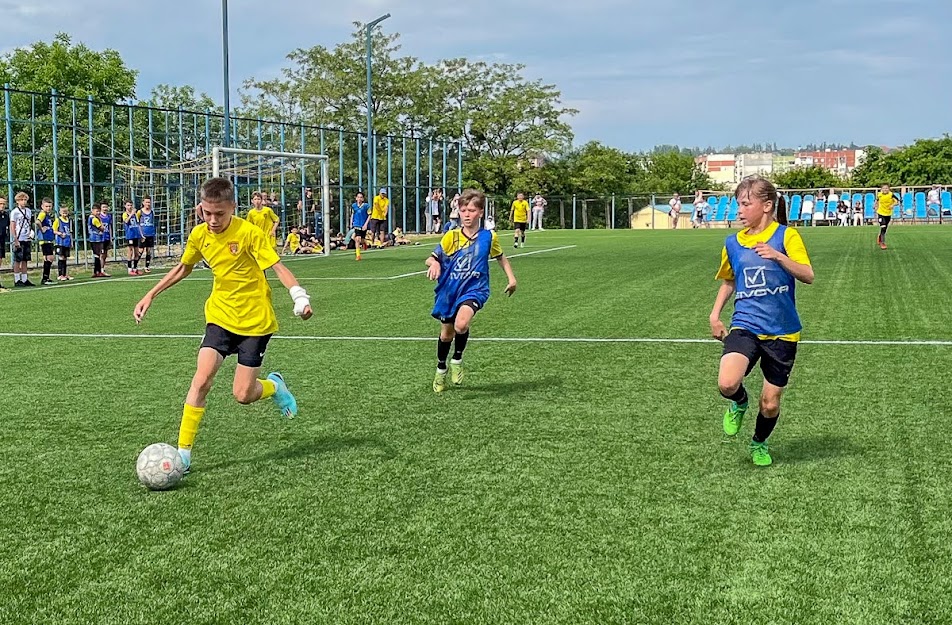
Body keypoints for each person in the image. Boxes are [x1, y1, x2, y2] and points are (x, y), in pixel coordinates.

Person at [133, 177, 313, 473]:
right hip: (220, 316)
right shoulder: (199, 234)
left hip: (255, 322)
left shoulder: (250, 233)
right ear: (200, 208)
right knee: (201, 379)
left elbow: (278, 266)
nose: (213, 220)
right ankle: (183, 455)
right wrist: (150, 294)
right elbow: (184, 267)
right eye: (207, 213)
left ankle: (274, 386)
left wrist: (299, 297)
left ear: (233, 207)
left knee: (243, 395)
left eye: (220, 213)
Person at [709, 176, 814, 467]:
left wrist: (778, 257)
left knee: (769, 403)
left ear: (766, 206)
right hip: (746, 323)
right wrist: (715, 314)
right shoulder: (732, 243)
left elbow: (808, 275)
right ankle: (739, 402)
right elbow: (729, 281)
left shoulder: (787, 236)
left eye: (746, 204)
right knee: (727, 383)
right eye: (737, 204)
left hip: (783, 331)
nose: (739, 211)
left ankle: (759, 442)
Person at [426, 188, 517, 393]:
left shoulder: (488, 237)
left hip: (475, 288)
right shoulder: (452, 236)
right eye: (464, 210)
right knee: (446, 334)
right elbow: (432, 257)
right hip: (449, 290)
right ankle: (441, 369)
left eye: (472, 210)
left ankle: (457, 359)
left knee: (462, 324)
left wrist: (512, 279)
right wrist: (435, 264)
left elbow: (500, 257)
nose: (467, 214)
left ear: (481, 212)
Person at [10, 191, 35, 287]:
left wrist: (30, 233)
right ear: (17, 201)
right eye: (21, 200)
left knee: (25, 259)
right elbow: (13, 225)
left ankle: (24, 279)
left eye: (25, 200)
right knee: (18, 259)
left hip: (26, 237)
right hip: (19, 238)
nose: (23, 202)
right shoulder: (15, 212)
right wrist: (15, 238)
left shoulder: (28, 211)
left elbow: (29, 222)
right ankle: (17, 279)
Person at [36, 197, 56, 284]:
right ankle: (45, 278)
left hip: (47, 239)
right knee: (50, 258)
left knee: (47, 258)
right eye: (46, 206)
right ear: (42, 206)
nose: (48, 208)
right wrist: (41, 229)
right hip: (45, 239)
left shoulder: (47, 215)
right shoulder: (42, 214)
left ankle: (46, 278)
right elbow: (37, 221)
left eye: (50, 206)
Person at [874, 184, 899, 249]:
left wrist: (893, 205)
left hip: (888, 213)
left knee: (885, 228)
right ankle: (882, 243)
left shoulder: (891, 195)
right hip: (880, 213)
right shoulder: (879, 194)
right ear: (881, 189)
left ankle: (880, 236)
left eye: (886, 188)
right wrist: (875, 206)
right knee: (883, 227)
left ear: (889, 189)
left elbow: (897, 201)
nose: (885, 190)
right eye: (884, 188)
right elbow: (877, 200)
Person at [88, 204, 110, 277]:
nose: (98, 213)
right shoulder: (94, 219)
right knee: (98, 255)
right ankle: (98, 271)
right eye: (97, 211)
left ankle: (97, 271)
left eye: (99, 211)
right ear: (92, 211)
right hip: (96, 239)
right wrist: (100, 219)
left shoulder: (91, 217)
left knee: (97, 255)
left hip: (94, 238)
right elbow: (102, 228)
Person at [122, 200, 144, 275]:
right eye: (128, 205)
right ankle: (129, 269)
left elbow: (138, 225)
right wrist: (131, 214)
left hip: (136, 235)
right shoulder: (125, 214)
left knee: (137, 252)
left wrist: (141, 235)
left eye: (131, 205)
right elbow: (126, 221)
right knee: (130, 251)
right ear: (125, 206)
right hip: (130, 235)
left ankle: (135, 268)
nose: (130, 207)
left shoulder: (135, 215)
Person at [52, 205, 73, 281]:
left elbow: (70, 232)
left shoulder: (69, 220)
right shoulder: (58, 220)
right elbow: (53, 230)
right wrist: (60, 233)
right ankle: (60, 274)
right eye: (63, 212)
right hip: (60, 242)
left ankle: (65, 274)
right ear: (60, 212)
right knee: (61, 257)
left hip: (67, 242)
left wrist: (71, 242)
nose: (65, 213)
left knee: (65, 258)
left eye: (66, 212)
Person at [138, 196, 157, 273]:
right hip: (142, 234)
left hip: (150, 234)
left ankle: (147, 266)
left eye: (149, 202)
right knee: (140, 250)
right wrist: (140, 234)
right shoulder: (140, 212)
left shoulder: (152, 212)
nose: (148, 204)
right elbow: (137, 222)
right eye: (146, 202)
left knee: (149, 251)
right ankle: (135, 266)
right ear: (143, 203)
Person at [351, 191, 370, 260]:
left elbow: (369, 216)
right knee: (357, 239)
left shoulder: (366, 206)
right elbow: (353, 214)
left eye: (361, 197)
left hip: (363, 225)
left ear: (363, 199)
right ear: (356, 198)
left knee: (361, 239)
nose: (359, 199)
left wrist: (365, 224)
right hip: (356, 224)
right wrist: (351, 222)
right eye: (358, 197)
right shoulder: (354, 206)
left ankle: (364, 243)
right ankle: (358, 255)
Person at [99, 201, 113, 273]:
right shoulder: (98, 216)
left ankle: (102, 268)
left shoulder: (109, 216)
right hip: (101, 238)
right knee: (101, 254)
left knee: (105, 254)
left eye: (106, 207)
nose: (105, 209)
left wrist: (111, 238)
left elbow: (110, 227)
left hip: (107, 237)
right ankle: (100, 269)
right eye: (103, 207)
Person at [0, 197, 9, 291]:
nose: (2, 206)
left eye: (3, 204)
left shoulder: (6, 215)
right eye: (0, 204)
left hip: (2, 240)